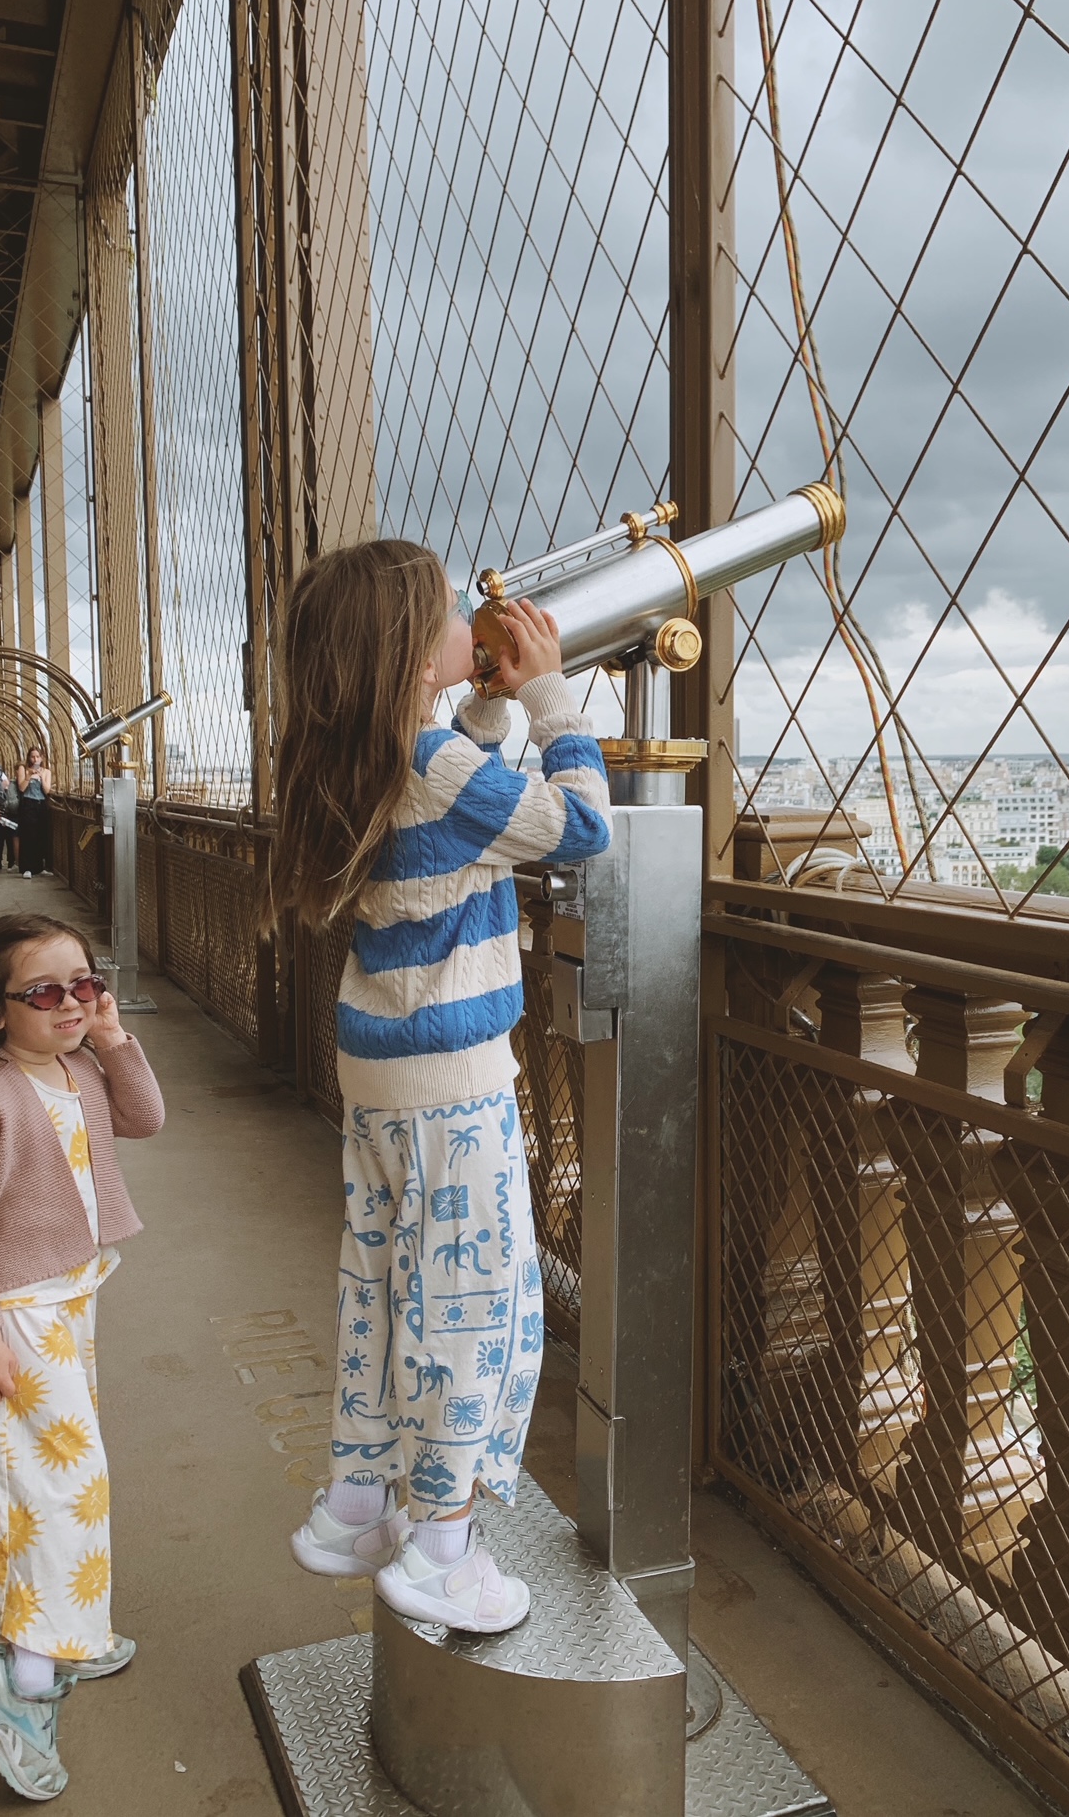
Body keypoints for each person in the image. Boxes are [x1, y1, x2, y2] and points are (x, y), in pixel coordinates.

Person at [265, 539, 611, 1635]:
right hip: (454, 1090)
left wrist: (491, 710)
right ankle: (444, 1553)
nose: (480, 621)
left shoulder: (362, 757)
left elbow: (458, 808)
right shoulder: (431, 764)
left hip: (379, 1074)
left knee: (380, 1286)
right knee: (479, 1311)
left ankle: (357, 1504)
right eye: (458, 613)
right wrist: (553, 696)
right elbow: (576, 828)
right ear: (415, 655)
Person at [0, 913, 164, 1801]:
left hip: (69, 1300)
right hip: (20, 1314)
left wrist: (113, 1038)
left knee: (40, 1483)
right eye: (48, 992)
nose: (75, 1002)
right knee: (65, 1484)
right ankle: (19, 1681)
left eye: (86, 982)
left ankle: (59, 1635)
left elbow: (146, 1117)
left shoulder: (78, 1069)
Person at [16, 746, 54, 879]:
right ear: (29, 757)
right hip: (28, 803)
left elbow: (47, 790)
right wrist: (29, 776)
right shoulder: (23, 769)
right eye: (33, 756)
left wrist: (42, 776)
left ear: (41, 758)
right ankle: (27, 867)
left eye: (37, 756)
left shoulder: (46, 772)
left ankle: (40, 866)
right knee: (28, 835)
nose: (35, 759)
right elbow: (21, 788)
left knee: (41, 834)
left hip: (41, 803)